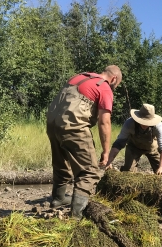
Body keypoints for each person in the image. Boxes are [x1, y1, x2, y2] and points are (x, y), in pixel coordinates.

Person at [46, 65, 122, 218]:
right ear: (114, 79)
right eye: (116, 85)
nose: (114, 87)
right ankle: (77, 214)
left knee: (61, 163)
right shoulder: (105, 88)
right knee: (89, 171)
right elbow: (104, 122)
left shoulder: (78, 77)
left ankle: (58, 198)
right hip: (74, 127)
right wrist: (106, 152)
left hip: (52, 124)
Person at [106, 103, 162, 175]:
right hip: (133, 148)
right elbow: (119, 143)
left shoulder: (158, 126)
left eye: (147, 122)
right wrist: (109, 161)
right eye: (143, 121)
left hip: (152, 149)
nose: (145, 124)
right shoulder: (129, 123)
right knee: (127, 173)